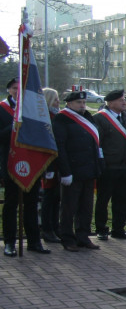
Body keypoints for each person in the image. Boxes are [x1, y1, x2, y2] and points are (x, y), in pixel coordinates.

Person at [1, 77, 49, 256]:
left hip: (32, 163)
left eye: (21, 88)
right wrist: (14, 125)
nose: (17, 91)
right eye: (14, 88)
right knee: (11, 205)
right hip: (11, 163)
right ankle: (9, 243)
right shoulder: (2, 109)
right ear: (9, 90)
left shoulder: (33, 111)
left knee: (31, 204)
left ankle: (34, 241)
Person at [53, 88, 102, 252]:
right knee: (69, 207)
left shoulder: (87, 117)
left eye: (83, 102)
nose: (82, 105)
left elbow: (95, 144)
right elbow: (60, 147)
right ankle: (67, 238)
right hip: (72, 171)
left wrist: (99, 165)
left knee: (86, 207)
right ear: (69, 103)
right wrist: (65, 172)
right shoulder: (62, 119)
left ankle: (83, 236)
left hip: (89, 169)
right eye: (79, 102)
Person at [92, 89, 126, 241]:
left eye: (124, 99)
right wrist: (101, 162)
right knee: (103, 200)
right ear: (110, 103)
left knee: (122, 200)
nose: (124, 102)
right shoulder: (100, 118)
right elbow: (98, 143)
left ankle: (119, 229)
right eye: (120, 100)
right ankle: (101, 228)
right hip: (108, 166)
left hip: (124, 166)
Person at [38, 87, 62, 244]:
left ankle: (55, 227)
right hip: (48, 164)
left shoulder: (57, 116)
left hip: (58, 162)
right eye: (55, 99)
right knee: (48, 198)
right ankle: (47, 229)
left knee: (56, 198)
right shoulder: (44, 118)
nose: (58, 102)